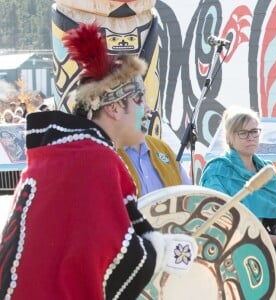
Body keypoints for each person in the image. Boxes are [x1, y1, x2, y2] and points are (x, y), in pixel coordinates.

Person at [0, 23, 197, 300]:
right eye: (140, 99)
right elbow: (116, 255)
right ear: (115, 107)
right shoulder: (95, 159)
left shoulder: (58, 154)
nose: (148, 109)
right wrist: (160, 251)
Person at [199, 106, 276, 300]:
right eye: (243, 133)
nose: (250, 137)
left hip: (264, 239)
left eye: (254, 131)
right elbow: (223, 221)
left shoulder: (266, 170)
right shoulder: (217, 169)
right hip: (230, 242)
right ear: (230, 137)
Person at [118, 105, 191, 197]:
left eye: (145, 101)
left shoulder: (163, 148)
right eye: (138, 101)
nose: (148, 109)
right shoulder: (108, 155)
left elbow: (189, 198)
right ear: (114, 109)